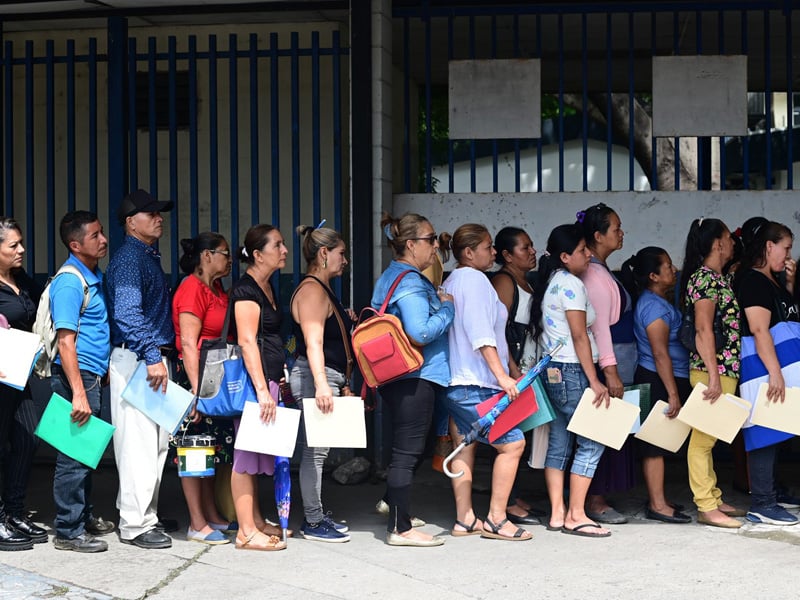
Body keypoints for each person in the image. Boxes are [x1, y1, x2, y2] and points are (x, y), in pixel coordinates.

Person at [443, 223, 532, 542]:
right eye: (488, 247)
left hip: (459, 381)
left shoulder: (454, 279)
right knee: (513, 443)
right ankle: (496, 518)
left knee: (465, 446)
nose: (494, 252)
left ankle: (465, 519)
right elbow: (482, 335)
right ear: (469, 253)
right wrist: (503, 377)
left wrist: (508, 368)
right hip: (476, 382)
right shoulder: (476, 281)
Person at [372, 212, 454, 547]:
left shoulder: (392, 277)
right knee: (406, 452)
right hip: (414, 376)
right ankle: (400, 528)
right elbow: (420, 331)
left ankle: (393, 506)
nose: (436, 245)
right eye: (430, 239)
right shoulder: (409, 282)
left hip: (400, 377)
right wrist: (447, 308)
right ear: (410, 244)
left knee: (408, 450)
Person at [531, 223, 611, 538]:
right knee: (592, 440)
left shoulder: (552, 281)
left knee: (560, 441)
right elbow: (579, 335)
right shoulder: (572, 285)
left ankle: (557, 513)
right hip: (574, 370)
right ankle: (577, 514)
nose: (588, 254)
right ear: (565, 256)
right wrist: (595, 378)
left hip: (555, 371)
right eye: (581, 250)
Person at [106, 189, 175, 549]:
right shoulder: (131, 260)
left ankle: (144, 514)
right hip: (138, 359)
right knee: (138, 444)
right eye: (151, 213)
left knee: (155, 443)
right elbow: (127, 313)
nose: (159, 217)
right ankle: (135, 524)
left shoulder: (145, 255)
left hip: (147, 359)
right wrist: (152, 355)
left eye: (159, 212)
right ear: (132, 223)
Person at [49, 211, 115, 552]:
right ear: (75, 244)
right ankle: (68, 530)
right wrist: (79, 392)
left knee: (86, 453)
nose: (103, 240)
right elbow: (65, 341)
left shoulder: (92, 275)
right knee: (72, 456)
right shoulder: (70, 282)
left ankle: (84, 516)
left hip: (92, 376)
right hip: (78, 377)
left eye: (102, 233)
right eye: (95, 236)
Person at [289, 225, 354, 543]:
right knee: (314, 452)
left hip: (326, 376)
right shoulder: (313, 291)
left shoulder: (321, 289)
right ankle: (313, 522)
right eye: (341, 253)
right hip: (318, 377)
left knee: (318, 450)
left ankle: (316, 514)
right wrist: (322, 386)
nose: (346, 260)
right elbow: (313, 342)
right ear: (324, 253)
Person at [680, 217, 745, 528]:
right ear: (718, 244)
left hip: (722, 369)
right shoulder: (704, 280)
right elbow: (703, 329)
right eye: (729, 238)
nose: (733, 243)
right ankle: (706, 506)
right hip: (711, 372)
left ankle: (714, 498)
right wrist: (714, 376)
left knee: (711, 437)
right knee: (702, 441)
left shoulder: (718, 279)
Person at [171, 232, 236, 545]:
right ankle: (196, 523)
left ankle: (210, 514)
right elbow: (187, 343)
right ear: (206, 256)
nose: (229, 259)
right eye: (224, 253)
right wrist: (196, 393)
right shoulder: (191, 288)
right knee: (194, 450)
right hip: (194, 380)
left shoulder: (217, 287)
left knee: (210, 450)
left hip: (213, 378)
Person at [620, 247, 691, 524]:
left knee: (660, 441)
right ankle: (657, 504)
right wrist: (673, 394)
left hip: (664, 378)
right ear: (653, 275)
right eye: (668, 267)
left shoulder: (660, 301)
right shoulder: (652, 307)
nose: (673, 271)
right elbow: (660, 353)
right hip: (656, 378)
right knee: (654, 445)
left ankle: (659, 499)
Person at [735, 221, 799, 526]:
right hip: (764, 369)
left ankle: (773, 493)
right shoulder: (752, 281)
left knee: (777, 430)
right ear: (769, 246)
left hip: (778, 368)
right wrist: (774, 371)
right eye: (785, 247)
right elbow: (760, 329)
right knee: (764, 434)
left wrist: (789, 284)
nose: (788, 254)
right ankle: (762, 503)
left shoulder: (771, 281)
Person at [229, 224, 288, 551]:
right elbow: (247, 341)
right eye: (277, 245)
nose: (284, 250)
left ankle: (255, 520)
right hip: (254, 386)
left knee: (255, 454)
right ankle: (246, 532)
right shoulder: (246, 290)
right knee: (244, 455)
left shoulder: (266, 287)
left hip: (266, 381)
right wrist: (262, 392)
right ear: (257, 254)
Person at [576, 203, 636, 525]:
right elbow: (599, 329)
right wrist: (610, 373)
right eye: (615, 228)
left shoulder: (601, 270)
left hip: (615, 361)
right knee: (599, 431)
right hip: (606, 365)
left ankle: (599, 496)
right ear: (598, 236)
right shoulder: (595, 275)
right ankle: (595, 500)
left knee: (610, 431)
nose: (621, 233)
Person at [490, 226, 541, 526]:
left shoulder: (526, 281)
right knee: (512, 436)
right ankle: (506, 504)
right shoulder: (504, 282)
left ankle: (514, 495)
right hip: (513, 372)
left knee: (523, 432)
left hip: (526, 368)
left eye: (532, 245)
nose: (532, 251)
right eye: (524, 247)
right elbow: (499, 332)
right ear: (507, 255)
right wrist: (511, 370)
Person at [0, 217, 45, 551]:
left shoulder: (20, 280)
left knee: (27, 439)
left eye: (20, 243)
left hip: (18, 374)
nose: (21, 250)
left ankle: (14, 512)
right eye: (13, 245)